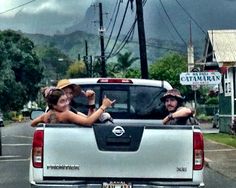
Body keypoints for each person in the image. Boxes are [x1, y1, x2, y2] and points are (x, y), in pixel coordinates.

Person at [31, 87, 115, 127]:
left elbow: (33, 123)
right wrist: (103, 106)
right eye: (62, 101)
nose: (66, 103)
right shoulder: (66, 114)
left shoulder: (45, 116)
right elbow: (88, 122)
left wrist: (91, 100)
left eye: (66, 100)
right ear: (53, 105)